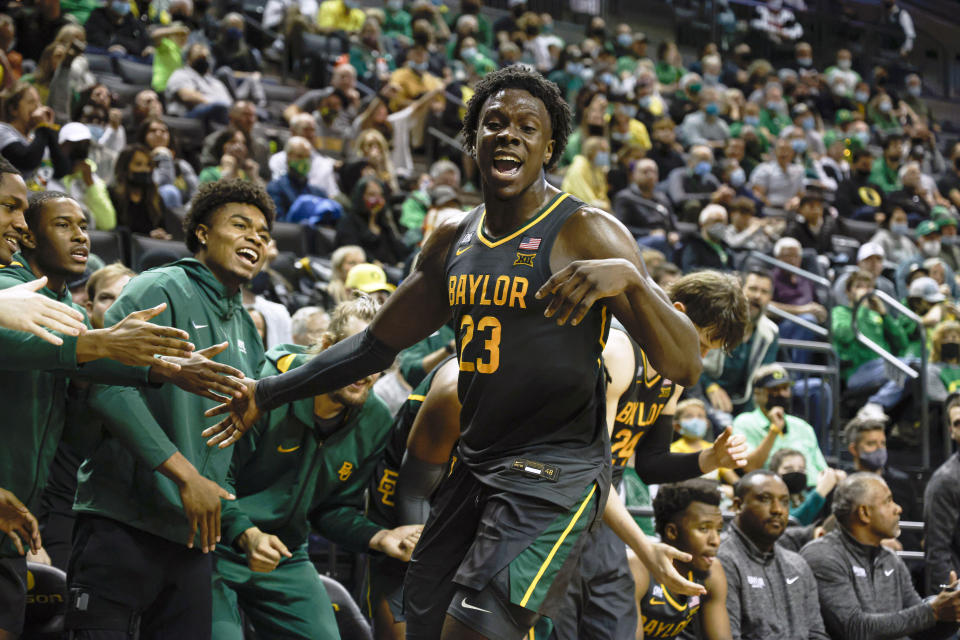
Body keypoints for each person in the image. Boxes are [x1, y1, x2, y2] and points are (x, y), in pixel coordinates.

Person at [203, 65, 707, 639]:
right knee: (423, 626)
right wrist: (264, 393)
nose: (509, 134)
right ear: (472, 139)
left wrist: (634, 281)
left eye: (526, 126)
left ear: (549, 148)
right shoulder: (452, 242)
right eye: (494, 123)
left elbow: (684, 364)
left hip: (553, 474)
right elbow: (372, 346)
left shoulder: (586, 230)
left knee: (473, 631)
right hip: (474, 469)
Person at [65, 181, 275, 638]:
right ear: (201, 232)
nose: (255, 238)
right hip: (122, 520)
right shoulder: (159, 287)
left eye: (263, 233)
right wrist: (186, 477)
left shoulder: (247, 327)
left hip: (194, 537)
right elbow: (107, 387)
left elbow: (228, 443)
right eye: (240, 225)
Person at [0, 190, 205, 639]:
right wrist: (115, 351)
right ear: (29, 236)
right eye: (63, 225)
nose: (81, 237)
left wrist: (161, 369)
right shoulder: (5, 286)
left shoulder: (72, 312)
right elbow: (30, 347)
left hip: (16, 517)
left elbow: (76, 434)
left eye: (84, 226)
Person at [549, 271, 749, 639]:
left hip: (602, 510)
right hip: (559, 505)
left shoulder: (672, 375)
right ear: (675, 314)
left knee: (616, 627)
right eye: (702, 344)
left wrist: (710, 460)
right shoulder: (619, 354)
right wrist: (642, 545)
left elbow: (651, 462)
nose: (700, 359)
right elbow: (590, 468)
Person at [212, 296, 419, 639]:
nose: (366, 372)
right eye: (357, 354)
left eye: (379, 360)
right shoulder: (264, 390)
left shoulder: (375, 421)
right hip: (217, 546)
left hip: (286, 554)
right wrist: (244, 533)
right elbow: (213, 478)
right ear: (326, 347)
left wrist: (379, 537)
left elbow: (332, 510)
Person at [33, 262, 136, 572]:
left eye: (127, 297)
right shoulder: (57, 358)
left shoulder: (164, 372)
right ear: (88, 307)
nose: (118, 307)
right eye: (107, 298)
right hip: (61, 512)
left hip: (131, 519)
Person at [801, 473, 960, 639]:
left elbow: (919, 626)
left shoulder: (891, 559)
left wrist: (950, 614)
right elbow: (854, 628)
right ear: (864, 513)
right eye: (888, 501)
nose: (898, 508)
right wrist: (933, 611)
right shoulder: (823, 556)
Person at [718, 470, 829, 639]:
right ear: (738, 505)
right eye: (765, 499)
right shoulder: (721, 560)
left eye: (784, 502)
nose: (778, 509)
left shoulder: (797, 564)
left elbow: (817, 634)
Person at [630, 479, 732, 639]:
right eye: (704, 529)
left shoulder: (711, 571)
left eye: (718, 530)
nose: (715, 540)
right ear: (672, 532)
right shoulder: (639, 568)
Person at [699, 268, 779, 425]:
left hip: (743, 403)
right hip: (703, 393)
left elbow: (761, 378)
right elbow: (691, 360)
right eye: (753, 289)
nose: (757, 296)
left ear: (770, 298)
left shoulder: (770, 332)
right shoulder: (715, 319)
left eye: (764, 292)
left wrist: (749, 418)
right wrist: (710, 386)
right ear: (740, 290)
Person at [831, 269, 913, 421]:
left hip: (883, 365)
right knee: (908, 367)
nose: (865, 291)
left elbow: (902, 342)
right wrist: (861, 307)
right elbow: (846, 335)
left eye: (869, 287)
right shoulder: (839, 312)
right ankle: (875, 404)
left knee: (918, 365)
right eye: (859, 287)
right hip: (858, 371)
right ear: (849, 292)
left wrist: (885, 315)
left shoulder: (876, 315)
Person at [734, 363, 829, 482]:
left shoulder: (802, 426)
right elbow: (749, 468)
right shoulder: (745, 422)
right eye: (774, 389)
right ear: (758, 393)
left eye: (785, 388)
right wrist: (773, 431)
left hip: (813, 491)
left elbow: (822, 470)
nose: (782, 394)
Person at [924, 394, 960, 597]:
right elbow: (937, 551)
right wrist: (947, 604)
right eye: (958, 423)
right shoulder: (945, 481)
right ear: (951, 432)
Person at [0, 82, 67, 181]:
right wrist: (42, 127)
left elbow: (62, 169)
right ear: (13, 109)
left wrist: (48, 129)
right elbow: (27, 161)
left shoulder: (35, 137)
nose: (38, 107)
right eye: (31, 102)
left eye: (39, 102)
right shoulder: (3, 131)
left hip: (41, 195)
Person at [335, 176, 407, 267]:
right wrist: (374, 262)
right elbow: (353, 251)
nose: (377, 199)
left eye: (380, 195)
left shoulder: (383, 223)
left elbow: (398, 249)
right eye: (372, 195)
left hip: (391, 271)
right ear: (360, 196)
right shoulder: (348, 222)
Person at [267, 113, 340, 199]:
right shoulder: (277, 160)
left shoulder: (324, 164)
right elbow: (279, 188)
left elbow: (332, 194)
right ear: (293, 132)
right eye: (306, 130)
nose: (310, 134)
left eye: (313, 130)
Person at [109, 144, 174, 239]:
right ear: (125, 168)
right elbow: (116, 232)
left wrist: (162, 235)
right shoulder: (112, 194)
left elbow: (164, 228)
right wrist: (147, 236)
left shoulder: (156, 197)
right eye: (138, 164)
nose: (145, 170)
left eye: (148, 165)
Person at [136, 117, 199, 210]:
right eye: (153, 131)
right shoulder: (139, 164)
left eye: (164, 131)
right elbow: (162, 185)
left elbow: (196, 194)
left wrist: (187, 214)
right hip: (149, 211)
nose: (159, 134)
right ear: (143, 136)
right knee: (169, 192)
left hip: (182, 215)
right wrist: (164, 157)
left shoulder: (181, 165)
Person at [611, 158, 678, 245]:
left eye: (653, 172)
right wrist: (649, 233)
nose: (650, 175)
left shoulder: (662, 198)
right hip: (638, 242)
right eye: (645, 172)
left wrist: (675, 234)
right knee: (658, 240)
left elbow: (673, 225)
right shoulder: (625, 197)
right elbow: (621, 228)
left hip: (665, 239)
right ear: (634, 175)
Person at [769, 448, 843, 526]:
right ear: (775, 473)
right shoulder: (771, 499)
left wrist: (840, 488)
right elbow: (792, 521)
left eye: (801, 469)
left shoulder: (807, 494)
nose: (796, 473)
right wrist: (821, 491)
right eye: (789, 469)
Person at [165, 43, 232, 124]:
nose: (203, 60)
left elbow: (228, 102)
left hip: (219, 114)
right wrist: (213, 104)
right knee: (219, 107)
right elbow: (187, 96)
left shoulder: (215, 82)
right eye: (200, 57)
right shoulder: (181, 74)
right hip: (188, 116)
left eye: (205, 58)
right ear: (188, 59)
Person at [266, 136, 330, 221]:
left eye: (308, 157)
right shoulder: (276, 189)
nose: (305, 161)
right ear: (288, 158)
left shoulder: (319, 193)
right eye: (300, 156)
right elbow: (279, 225)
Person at [748, 137, 805, 212]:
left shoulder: (799, 170)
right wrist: (771, 205)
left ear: (793, 153)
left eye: (788, 150)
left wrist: (796, 200)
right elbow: (757, 193)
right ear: (775, 151)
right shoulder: (764, 169)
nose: (785, 153)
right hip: (768, 210)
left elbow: (800, 194)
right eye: (781, 149)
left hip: (791, 211)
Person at [84, 0, 150, 58]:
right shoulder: (97, 16)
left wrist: (120, 44)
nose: (123, 4)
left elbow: (143, 44)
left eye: (126, 1)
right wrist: (113, 46)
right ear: (108, 1)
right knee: (116, 54)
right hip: (103, 59)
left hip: (130, 62)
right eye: (120, 0)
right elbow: (98, 40)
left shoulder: (131, 19)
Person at [560, 135, 611, 210]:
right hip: (574, 209)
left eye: (607, 151)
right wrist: (603, 206)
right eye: (602, 151)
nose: (605, 155)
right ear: (591, 151)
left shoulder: (597, 169)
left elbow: (602, 195)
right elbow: (587, 200)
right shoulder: (579, 166)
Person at [681, 204, 734, 273]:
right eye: (716, 221)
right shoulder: (694, 245)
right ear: (702, 223)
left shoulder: (727, 247)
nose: (720, 225)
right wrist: (721, 274)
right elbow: (690, 270)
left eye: (723, 222)